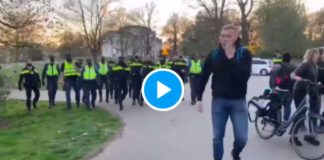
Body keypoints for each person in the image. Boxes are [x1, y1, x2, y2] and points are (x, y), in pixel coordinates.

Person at [197, 24, 252, 160]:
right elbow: (204, 75)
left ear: (236, 37)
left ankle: (236, 152)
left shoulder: (244, 53)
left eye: (228, 36)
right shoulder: (214, 54)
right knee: (217, 138)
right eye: (222, 35)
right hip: (219, 102)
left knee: (242, 138)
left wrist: (231, 57)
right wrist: (199, 98)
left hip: (238, 102)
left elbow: (244, 76)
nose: (224, 39)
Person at [291, 48, 321, 146]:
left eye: (318, 55)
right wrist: (296, 77)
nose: (318, 57)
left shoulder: (315, 66)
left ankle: (310, 136)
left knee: (311, 114)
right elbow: (293, 74)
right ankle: (293, 136)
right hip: (299, 91)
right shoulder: (305, 65)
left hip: (309, 92)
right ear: (311, 55)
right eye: (316, 55)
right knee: (300, 114)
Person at [274, 52, 296, 121]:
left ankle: (277, 119)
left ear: (282, 59)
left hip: (279, 88)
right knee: (287, 105)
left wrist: (274, 86)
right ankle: (286, 120)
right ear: (290, 59)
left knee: (277, 105)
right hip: (290, 89)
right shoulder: (294, 67)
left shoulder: (279, 66)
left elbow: (274, 77)